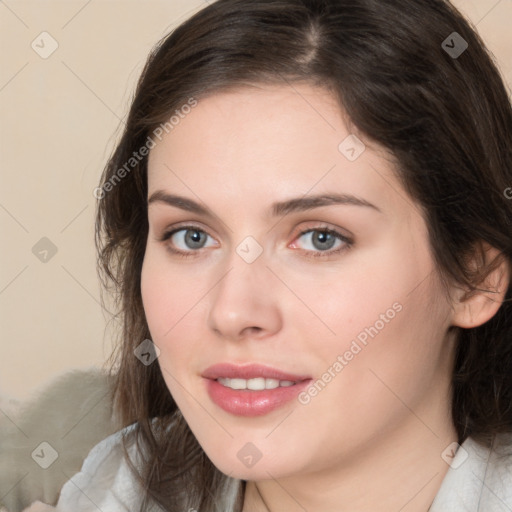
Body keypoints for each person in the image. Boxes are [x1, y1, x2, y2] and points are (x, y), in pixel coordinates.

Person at [35, 0, 512, 510]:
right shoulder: (112, 486)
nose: (233, 312)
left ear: (473, 276)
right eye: (191, 236)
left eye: (320, 238)